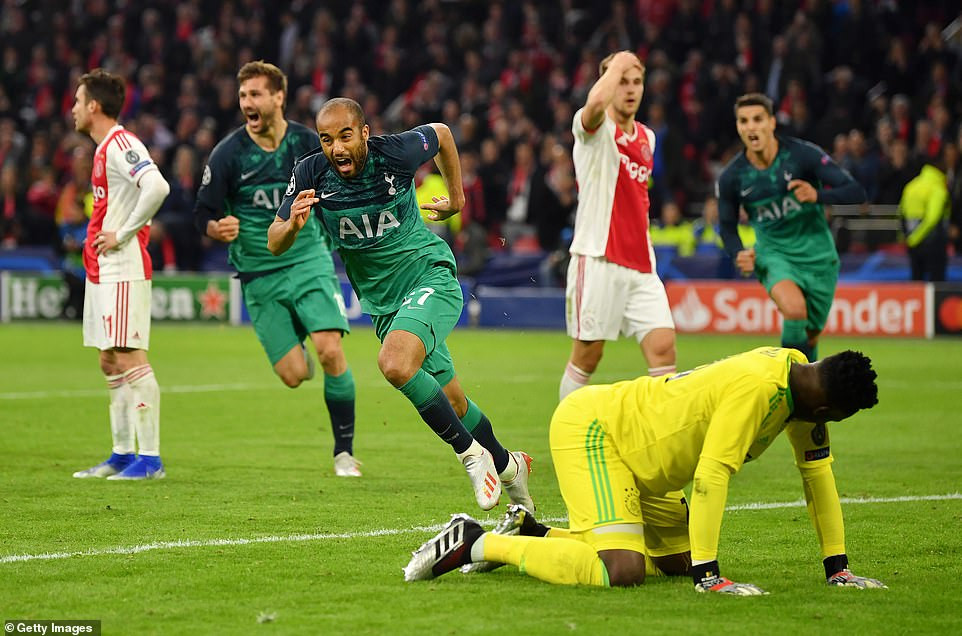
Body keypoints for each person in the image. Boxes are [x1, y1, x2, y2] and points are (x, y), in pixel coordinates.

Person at [404, 347, 886, 596]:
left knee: (677, 563)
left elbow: (817, 477)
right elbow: (710, 479)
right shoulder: (761, 391)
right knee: (623, 570)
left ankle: (536, 531)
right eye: (836, 418)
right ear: (825, 407)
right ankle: (475, 541)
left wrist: (838, 569)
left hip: (642, 463)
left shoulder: (799, 378)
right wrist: (711, 577)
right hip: (596, 432)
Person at [268, 98, 532, 511]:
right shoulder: (310, 172)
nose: (336, 148)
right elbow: (274, 239)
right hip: (385, 305)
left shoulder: (395, 153)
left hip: (429, 276)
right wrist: (292, 226)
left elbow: (443, 134)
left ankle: (471, 455)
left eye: (345, 136)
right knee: (456, 403)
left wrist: (457, 199)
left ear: (365, 134)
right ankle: (510, 466)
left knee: (394, 363)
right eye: (326, 139)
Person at [193, 61, 362, 477]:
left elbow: (341, 184)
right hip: (259, 273)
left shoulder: (308, 143)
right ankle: (298, 332)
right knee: (293, 374)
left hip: (308, 259)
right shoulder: (228, 154)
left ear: (278, 98)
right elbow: (203, 211)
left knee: (330, 350)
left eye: (255, 94)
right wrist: (216, 227)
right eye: (243, 95)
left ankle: (344, 453)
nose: (247, 102)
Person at [70, 69, 171, 480]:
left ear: (94, 106)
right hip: (102, 270)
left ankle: (150, 459)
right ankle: (122, 453)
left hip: (123, 268)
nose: (73, 109)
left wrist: (124, 232)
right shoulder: (103, 148)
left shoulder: (122, 143)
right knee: (109, 360)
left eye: (78, 101)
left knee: (129, 356)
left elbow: (157, 187)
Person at [560, 50, 677, 403]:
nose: (629, 89)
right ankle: (567, 434)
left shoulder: (648, 138)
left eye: (636, 82)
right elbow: (595, 103)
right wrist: (619, 63)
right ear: (606, 84)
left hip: (642, 264)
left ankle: (664, 441)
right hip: (597, 259)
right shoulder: (593, 129)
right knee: (588, 356)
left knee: (664, 350)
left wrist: (622, 66)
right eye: (621, 81)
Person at [717, 93, 867, 361]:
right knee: (795, 311)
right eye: (743, 121)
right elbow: (727, 227)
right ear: (738, 127)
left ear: (772, 123)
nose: (751, 127)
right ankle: (790, 387)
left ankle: (805, 391)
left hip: (819, 256)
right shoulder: (732, 177)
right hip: (773, 255)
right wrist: (738, 252)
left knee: (809, 334)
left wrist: (818, 196)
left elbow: (856, 192)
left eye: (757, 119)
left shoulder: (802, 155)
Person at [898, 154, 949, 282]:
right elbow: (933, 218)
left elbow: (901, 213)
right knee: (937, 283)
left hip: (913, 243)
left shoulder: (911, 186)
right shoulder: (938, 188)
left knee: (916, 282)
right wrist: (916, 238)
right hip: (933, 243)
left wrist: (908, 238)